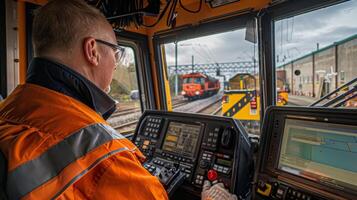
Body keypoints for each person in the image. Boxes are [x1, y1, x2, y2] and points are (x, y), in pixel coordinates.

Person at [0, 0, 237, 199]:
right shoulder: (107, 156)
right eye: (116, 51)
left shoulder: (9, 109)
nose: (115, 62)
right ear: (92, 51)